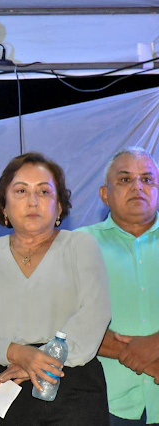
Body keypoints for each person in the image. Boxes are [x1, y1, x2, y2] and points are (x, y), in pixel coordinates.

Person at [0, 152, 111, 425]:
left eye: (44, 191)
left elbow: (94, 316)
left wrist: (39, 361)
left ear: (59, 207)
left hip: (71, 385)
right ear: (4, 206)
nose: (32, 201)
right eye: (21, 191)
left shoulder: (81, 246)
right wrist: (16, 353)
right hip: (2, 389)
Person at [77, 147, 159, 425]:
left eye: (147, 179)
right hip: (106, 403)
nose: (138, 186)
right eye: (125, 179)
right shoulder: (78, 245)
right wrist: (141, 356)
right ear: (104, 194)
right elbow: (62, 319)